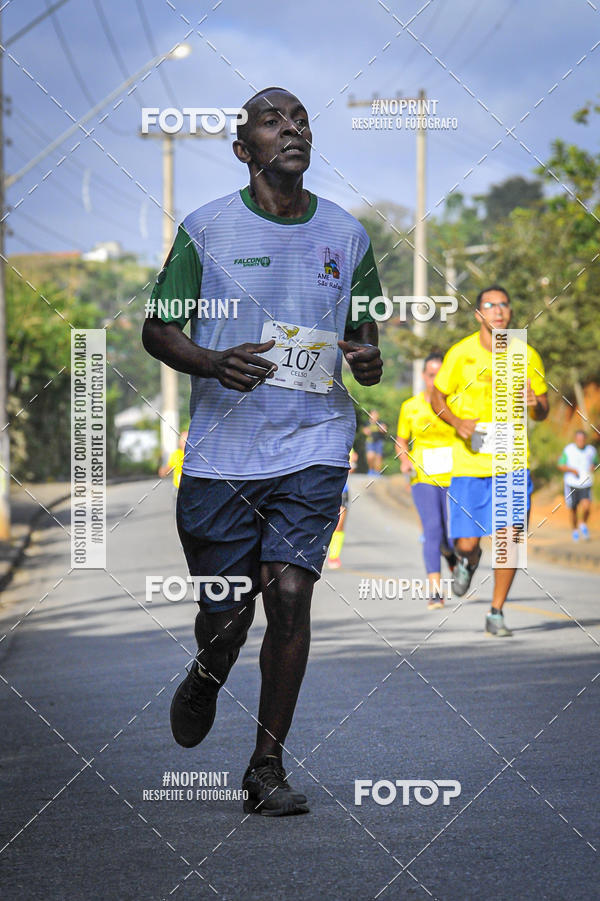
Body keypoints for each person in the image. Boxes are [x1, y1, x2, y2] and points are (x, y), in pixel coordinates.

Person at [142, 87, 383, 816]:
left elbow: (367, 340)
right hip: (223, 456)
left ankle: (265, 765)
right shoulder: (205, 228)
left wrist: (367, 361)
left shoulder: (347, 235)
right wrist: (213, 362)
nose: (293, 129)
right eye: (274, 120)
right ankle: (209, 669)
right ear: (244, 148)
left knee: (289, 593)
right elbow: (159, 329)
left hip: (313, 444)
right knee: (230, 614)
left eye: (301, 118)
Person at [431, 286, 549, 637]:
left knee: (510, 538)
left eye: (504, 304)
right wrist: (457, 423)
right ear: (479, 314)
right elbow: (438, 395)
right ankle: (468, 560)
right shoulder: (460, 353)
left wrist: (535, 402)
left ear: (510, 312)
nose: (498, 311)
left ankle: (496, 611)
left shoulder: (526, 354)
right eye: (490, 305)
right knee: (466, 543)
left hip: (512, 461)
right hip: (469, 463)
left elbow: (543, 410)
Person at [396, 353, 457, 609]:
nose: (435, 380)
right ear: (424, 376)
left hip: (456, 474)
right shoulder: (410, 406)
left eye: (440, 375)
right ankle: (435, 591)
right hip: (423, 475)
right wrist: (404, 459)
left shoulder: (457, 402)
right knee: (432, 529)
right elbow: (401, 440)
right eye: (431, 375)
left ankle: (451, 554)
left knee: (449, 533)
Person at [558, 430, 598, 540]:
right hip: (572, 483)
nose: (580, 441)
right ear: (575, 439)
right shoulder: (569, 450)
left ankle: (583, 524)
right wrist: (572, 470)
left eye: (582, 439)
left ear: (585, 440)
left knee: (587, 506)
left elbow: (596, 464)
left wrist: (593, 467)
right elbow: (561, 465)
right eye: (578, 439)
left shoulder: (591, 450)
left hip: (586, 483)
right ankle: (575, 530)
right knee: (573, 509)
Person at [326, 449, 357, 569]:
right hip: (324, 489)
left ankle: (333, 556)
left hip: (342, 489)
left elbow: (352, 467)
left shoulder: (344, 443)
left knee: (339, 524)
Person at [363, 409, 387, 475]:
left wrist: (382, 429)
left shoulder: (380, 422)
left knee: (378, 458)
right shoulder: (367, 423)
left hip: (379, 442)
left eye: (376, 414)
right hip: (370, 441)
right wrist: (366, 431)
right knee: (370, 456)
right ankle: (371, 470)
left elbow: (385, 430)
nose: (374, 416)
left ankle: (377, 473)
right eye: (373, 414)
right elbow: (364, 431)